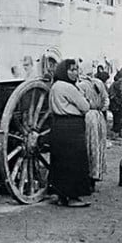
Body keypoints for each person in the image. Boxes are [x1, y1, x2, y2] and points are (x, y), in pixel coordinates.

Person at [49, 59, 92, 207]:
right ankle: (73, 197)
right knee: (75, 161)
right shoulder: (68, 87)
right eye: (71, 70)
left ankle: (60, 196)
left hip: (58, 125)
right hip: (72, 126)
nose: (75, 73)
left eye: (76, 70)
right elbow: (85, 106)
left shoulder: (55, 86)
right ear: (64, 71)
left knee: (60, 161)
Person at [78, 72, 109, 192]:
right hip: (98, 116)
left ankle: (86, 179)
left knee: (88, 146)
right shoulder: (99, 83)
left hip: (87, 117)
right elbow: (106, 101)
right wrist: (101, 109)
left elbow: (79, 104)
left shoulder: (80, 85)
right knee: (97, 147)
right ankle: (95, 177)